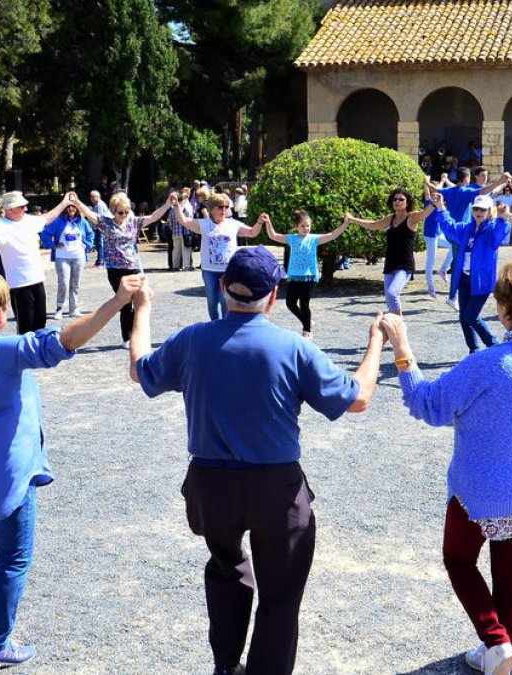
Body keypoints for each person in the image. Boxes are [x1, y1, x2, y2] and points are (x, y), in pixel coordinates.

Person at [128, 247, 384, 675]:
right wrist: (376, 340)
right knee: (281, 593)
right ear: (274, 294)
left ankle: (226, 665)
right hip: (276, 488)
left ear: (225, 286)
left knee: (225, 568)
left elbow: (140, 370)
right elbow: (358, 398)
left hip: (211, 484)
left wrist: (142, 310)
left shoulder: (193, 340)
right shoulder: (292, 347)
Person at [380, 254, 512, 674]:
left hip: (484, 488)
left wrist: (402, 348)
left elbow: (427, 405)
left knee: (459, 559)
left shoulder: (486, 364)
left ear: (505, 307)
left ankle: (495, 641)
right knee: (508, 565)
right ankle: (497, 649)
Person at [0, 268, 137, 669]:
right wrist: (117, 301)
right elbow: (67, 338)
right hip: (6, 480)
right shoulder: (3, 352)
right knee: (12, 559)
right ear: (0, 313)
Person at [425, 193, 511, 353]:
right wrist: (441, 208)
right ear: (472, 210)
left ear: (489, 211)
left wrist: (503, 218)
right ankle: (474, 350)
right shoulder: (465, 228)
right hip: (464, 279)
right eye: (476, 208)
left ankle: (494, 345)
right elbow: (449, 227)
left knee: (470, 315)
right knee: (463, 317)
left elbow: (501, 233)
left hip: (482, 281)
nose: (479, 212)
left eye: (483, 209)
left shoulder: (492, 230)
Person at [0, 191, 72, 335]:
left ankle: (38, 353)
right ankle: (25, 354)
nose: (26, 209)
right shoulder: (1, 224)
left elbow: (47, 218)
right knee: (26, 325)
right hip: (19, 283)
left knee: (40, 321)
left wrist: (64, 203)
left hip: (36, 278)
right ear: (10, 209)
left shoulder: (29, 220)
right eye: (22, 206)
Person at [172, 192, 264, 321]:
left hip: (228, 271)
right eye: (220, 207)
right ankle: (215, 325)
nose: (224, 210)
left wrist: (259, 222)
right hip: (209, 270)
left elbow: (252, 233)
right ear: (211, 208)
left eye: (226, 207)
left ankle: (225, 326)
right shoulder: (203, 224)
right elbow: (184, 221)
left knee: (224, 300)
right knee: (212, 301)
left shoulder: (233, 224)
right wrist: (176, 205)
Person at [263, 209, 350, 338]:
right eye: (302, 226)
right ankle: (307, 321)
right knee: (290, 303)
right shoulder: (291, 238)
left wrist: (345, 225)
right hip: (294, 276)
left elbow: (332, 235)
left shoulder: (314, 239)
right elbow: (273, 236)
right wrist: (268, 222)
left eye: (308, 225)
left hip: (310, 276)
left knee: (304, 304)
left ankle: (307, 331)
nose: (306, 228)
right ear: (296, 226)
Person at [345, 189, 435, 315]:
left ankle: (399, 322)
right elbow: (373, 225)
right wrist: (353, 219)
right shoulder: (391, 219)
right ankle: (394, 327)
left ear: (407, 202)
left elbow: (425, 213)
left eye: (401, 199)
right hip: (390, 264)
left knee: (393, 293)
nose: (397, 201)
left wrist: (435, 202)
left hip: (404, 265)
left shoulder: (411, 217)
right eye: (395, 199)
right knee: (389, 298)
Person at [40, 200, 94, 320]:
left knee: (75, 283)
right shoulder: (58, 221)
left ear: (77, 208)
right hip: (62, 256)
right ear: (65, 208)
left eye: (73, 207)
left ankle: (73, 308)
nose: (71, 209)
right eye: (69, 207)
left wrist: (87, 245)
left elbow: (91, 234)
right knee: (63, 283)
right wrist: (53, 244)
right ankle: (59, 309)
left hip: (78, 257)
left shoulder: (83, 222)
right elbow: (45, 233)